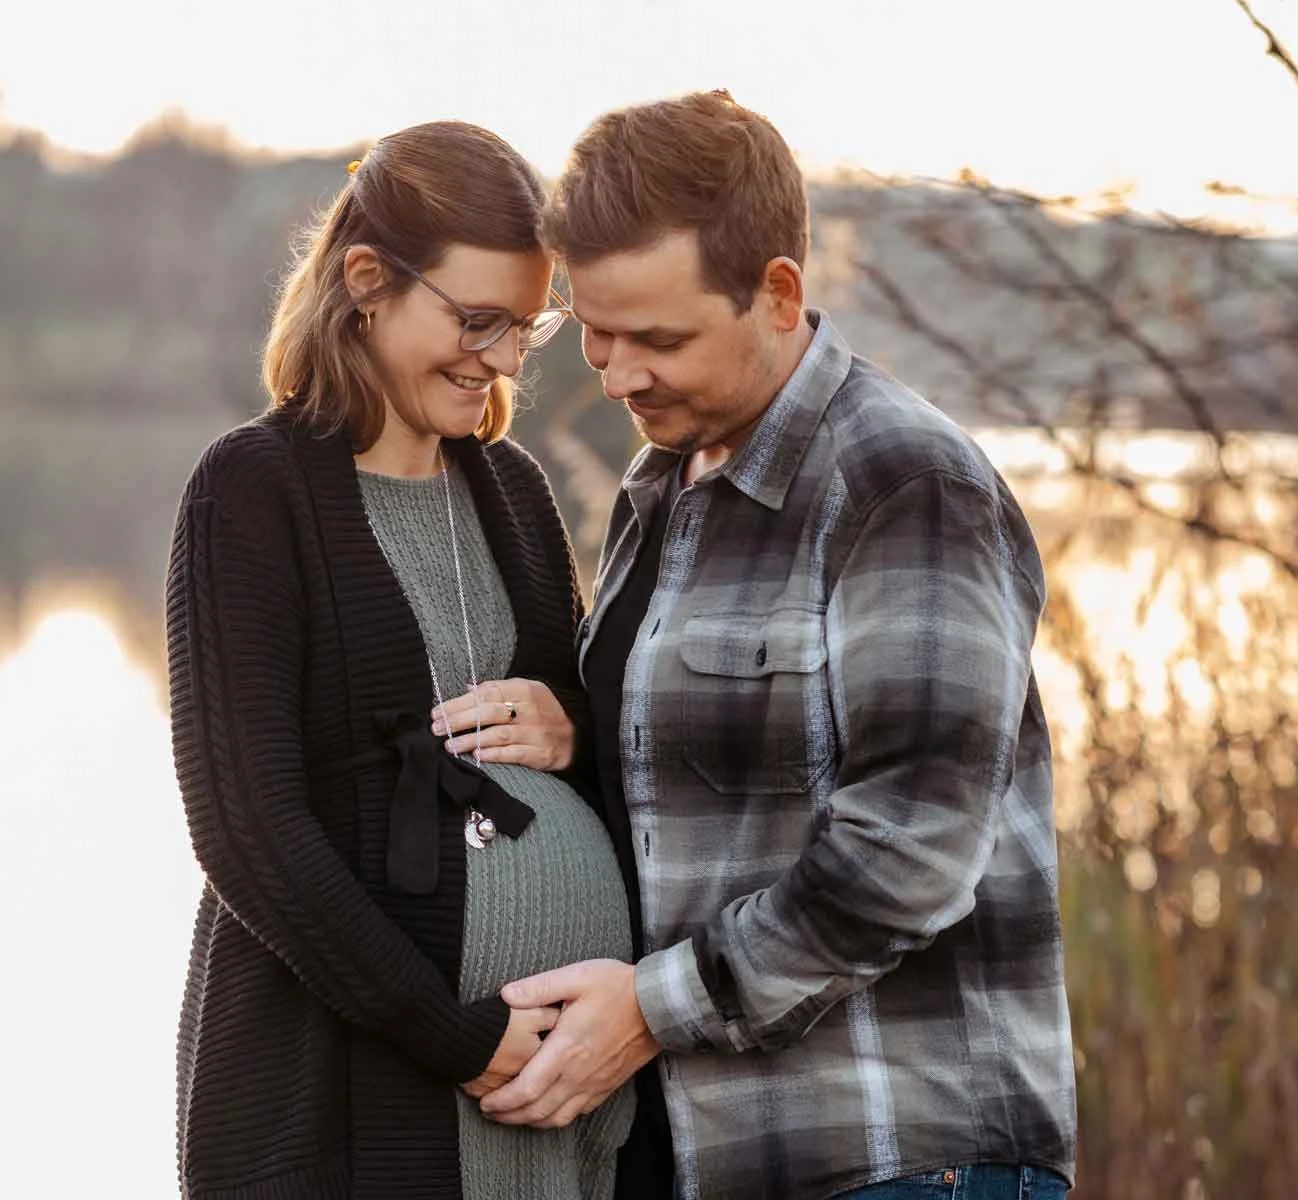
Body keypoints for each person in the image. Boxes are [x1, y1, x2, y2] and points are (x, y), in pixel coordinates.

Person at [474, 91, 1079, 1200]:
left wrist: (652, 1011)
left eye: (658, 337)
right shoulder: (664, 485)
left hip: (899, 1161)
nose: (615, 375)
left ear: (778, 294)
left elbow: (911, 850)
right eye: (595, 332)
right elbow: (710, 801)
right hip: (714, 1158)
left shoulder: (902, 482)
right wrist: (585, 736)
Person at [164, 120, 635, 1200]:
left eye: (528, 326)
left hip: (543, 1116)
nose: (504, 360)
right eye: (474, 321)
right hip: (346, 1089)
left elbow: (581, 743)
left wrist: (571, 728)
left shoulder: (512, 493)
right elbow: (246, 827)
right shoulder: (254, 489)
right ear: (368, 280)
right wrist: (451, 1033)